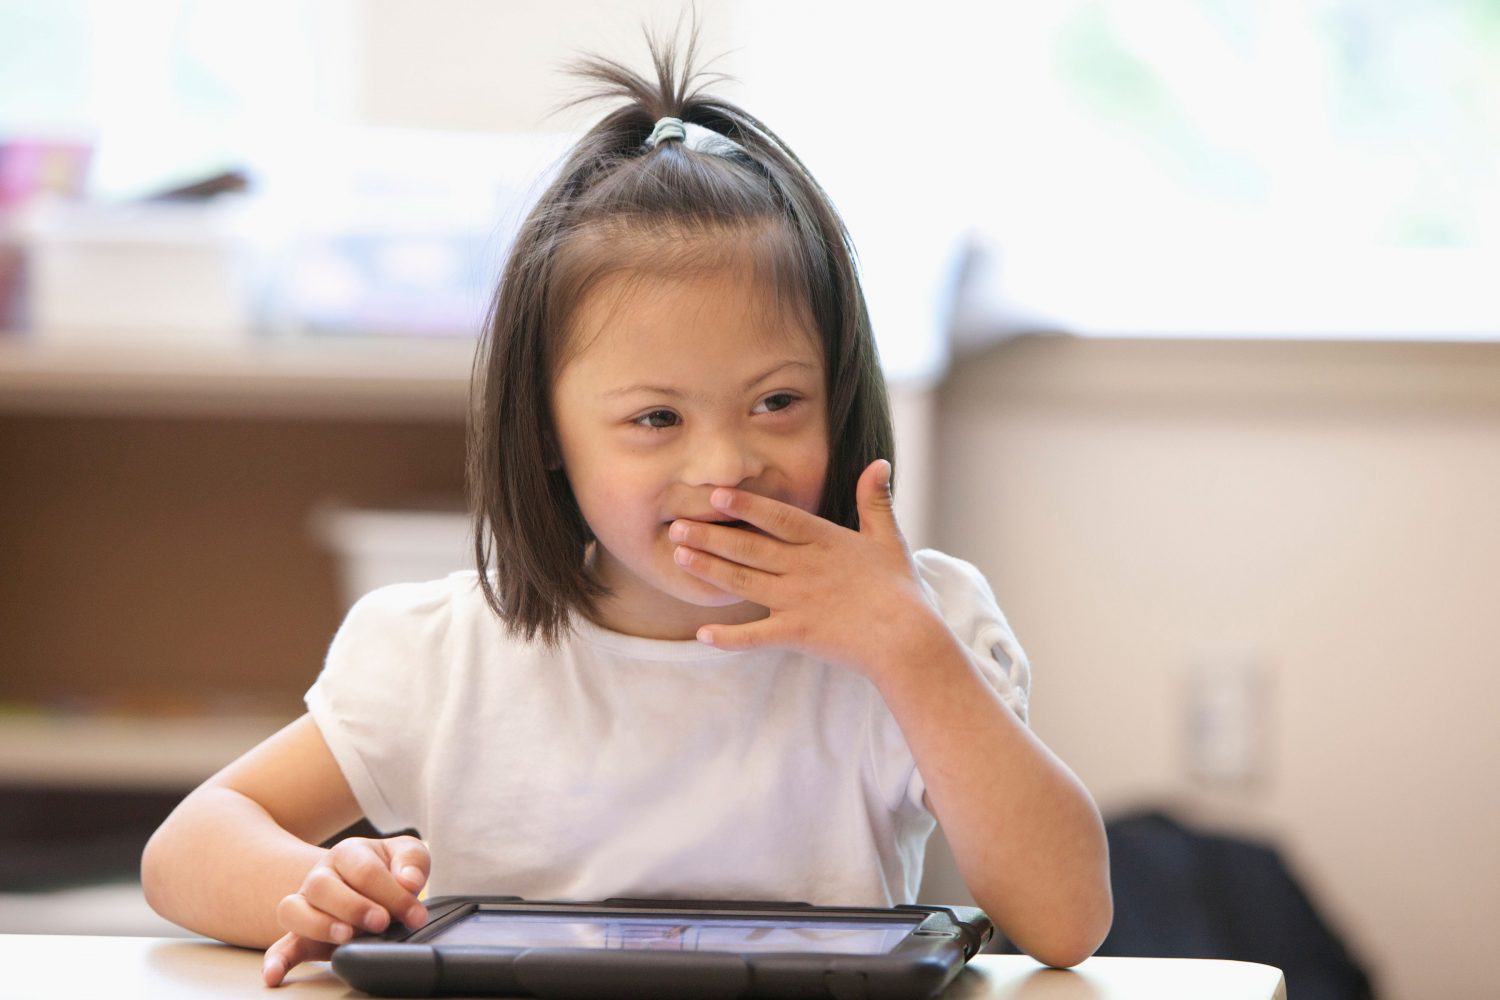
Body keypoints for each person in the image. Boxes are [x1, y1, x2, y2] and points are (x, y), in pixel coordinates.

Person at [141, 28, 1112, 987]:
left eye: (778, 402)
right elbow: (187, 848)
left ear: (842, 393)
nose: (727, 465)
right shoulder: (442, 654)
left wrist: (908, 647)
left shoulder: (921, 624)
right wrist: (315, 885)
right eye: (656, 418)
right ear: (547, 440)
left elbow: (1066, 921)